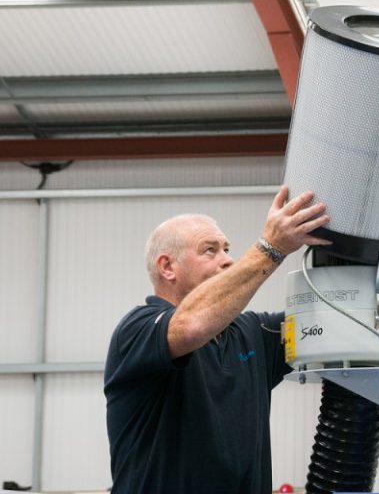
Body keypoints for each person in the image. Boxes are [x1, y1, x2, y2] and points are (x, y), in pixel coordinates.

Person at [104, 186, 330, 494]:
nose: (228, 260)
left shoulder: (254, 334)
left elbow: (330, 321)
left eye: (226, 249)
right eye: (210, 250)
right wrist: (271, 247)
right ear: (167, 267)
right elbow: (191, 327)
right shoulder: (138, 331)